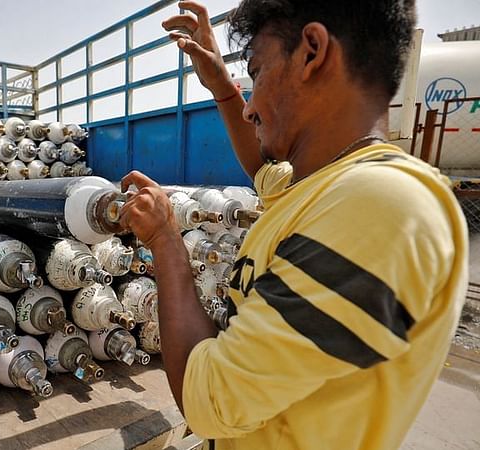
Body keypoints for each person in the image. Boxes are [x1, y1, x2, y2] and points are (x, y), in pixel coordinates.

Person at [118, 1, 468, 449]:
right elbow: (261, 168)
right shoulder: (320, 186)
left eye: (258, 72)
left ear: (312, 52)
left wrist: (166, 242)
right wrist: (224, 88)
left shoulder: (380, 205)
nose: (250, 109)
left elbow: (209, 401)